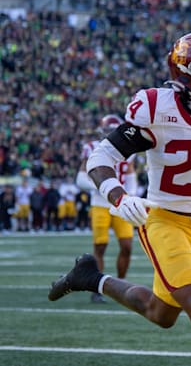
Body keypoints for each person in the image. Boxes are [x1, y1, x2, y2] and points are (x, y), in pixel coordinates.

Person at [48, 31, 191, 366]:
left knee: (161, 313)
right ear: (189, 77)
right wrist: (117, 195)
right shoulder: (158, 108)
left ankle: (89, 277)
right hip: (162, 219)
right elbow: (100, 159)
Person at [76, 114, 138, 304]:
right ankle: (98, 287)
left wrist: (130, 197)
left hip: (120, 202)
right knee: (100, 246)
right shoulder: (91, 148)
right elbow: (80, 179)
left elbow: (131, 176)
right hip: (100, 203)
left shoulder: (129, 147)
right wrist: (103, 187)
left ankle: (121, 284)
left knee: (127, 246)